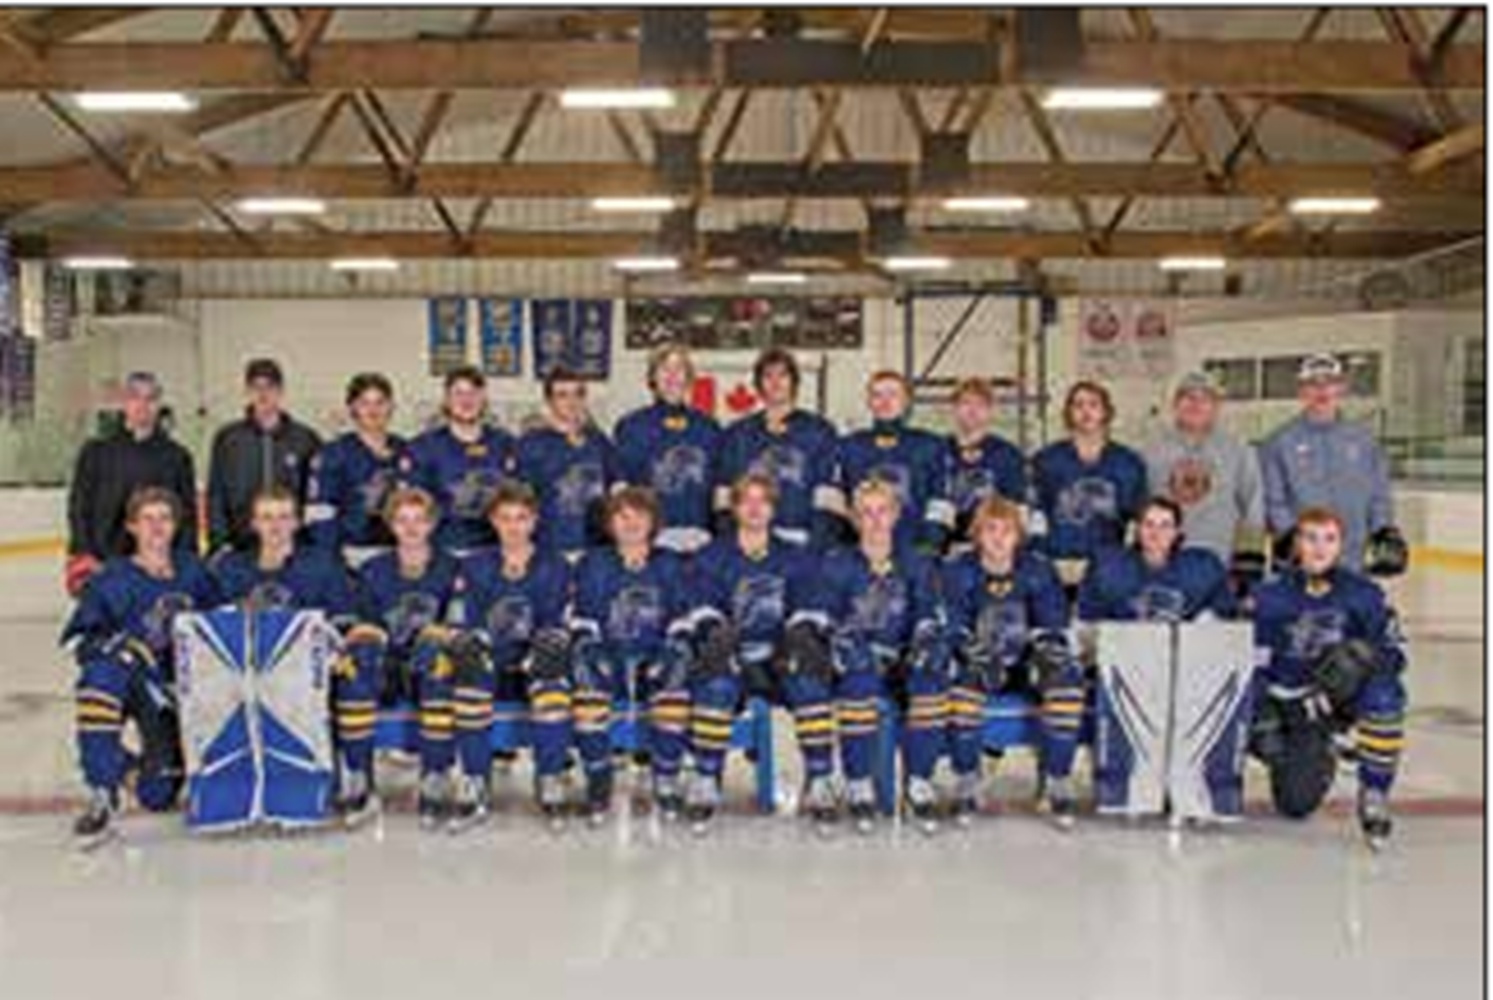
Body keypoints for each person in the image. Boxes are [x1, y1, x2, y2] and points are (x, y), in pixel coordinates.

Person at [788, 478, 949, 834]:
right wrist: (838, 639)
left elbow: (928, 610)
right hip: (855, 657)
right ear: (854, 518)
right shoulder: (836, 563)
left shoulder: (917, 561)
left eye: (882, 511)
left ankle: (919, 782)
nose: (875, 521)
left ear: (895, 514)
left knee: (932, 675)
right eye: (866, 513)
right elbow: (821, 613)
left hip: (901, 657)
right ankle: (858, 783)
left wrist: (926, 639)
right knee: (855, 678)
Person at [64, 487, 219, 847]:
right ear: (132, 526)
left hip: (172, 693)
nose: (157, 527)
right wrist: (123, 649)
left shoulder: (195, 572)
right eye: (147, 519)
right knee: (99, 679)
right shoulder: (111, 578)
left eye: (164, 518)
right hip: (129, 679)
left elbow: (220, 623)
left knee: (157, 794)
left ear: (176, 525)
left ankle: (120, 763)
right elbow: (80, 640)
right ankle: (102, 793)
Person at [1251, 506, 1407, 850]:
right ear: (1297, 544)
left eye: (1329, 539)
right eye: (1311, 538)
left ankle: (1375, 791)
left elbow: (1395, 654)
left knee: (1385, 694)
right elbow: (1252, 662)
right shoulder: (1269, 595)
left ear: (1340, 546)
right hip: (1286, 704)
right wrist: (1261, 710)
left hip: (1331, 705)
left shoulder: (1363, 595)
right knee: (1295, 804)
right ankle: (1313, 749)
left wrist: (1363, 661)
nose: (1320, 548)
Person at [682, 473, 814, 833]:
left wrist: (799, 635)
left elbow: (807, 602)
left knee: (810, 683)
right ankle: (706, 778)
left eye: (763, 501)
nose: (755, 508)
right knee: (716, 685)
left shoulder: (794, 556)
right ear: (735, 507)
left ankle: (819, 778)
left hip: (777, 657)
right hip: (733, 655)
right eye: (747, 501)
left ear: (773, 508)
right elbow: (701, 604)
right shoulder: (712, 555)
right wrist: (715, 632)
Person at [940, 498, 1084, 828]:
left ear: (1018, 535)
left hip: (1026, 660)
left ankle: (1057, 779)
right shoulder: (958, 570)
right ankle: (967, 780)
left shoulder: (1038, 568)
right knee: (962, 691)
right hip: (980, 660)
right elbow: (953, 624)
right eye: (990, 529)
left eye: (1007, 530)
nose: (998, 538)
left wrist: (1044, 651)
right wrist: (976, 653)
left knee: (1066, 685)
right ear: (977, 534)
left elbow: (1053, 623)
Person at [446, 483, 573, 831]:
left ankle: (549, 777)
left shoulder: (555, 564)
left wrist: (543, 650)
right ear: (493, 521)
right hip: (492, 661)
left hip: (535, 660)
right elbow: (464, 620)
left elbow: (557, 620)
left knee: (552, 680)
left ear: (534, 521)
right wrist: (475, 647)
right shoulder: (474, 564)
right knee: (470, 677)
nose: (513, 526)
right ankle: (475, 780)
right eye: (505, 518)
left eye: (521, 518)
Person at [567, 487, 694, 823]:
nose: (631, 523)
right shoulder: (594, 562)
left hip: (655, 655)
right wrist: (589, 646)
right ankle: (598, 779)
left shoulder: (669, 562)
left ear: (653, 521)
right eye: (622, 516)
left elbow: (682, 615)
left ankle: (666, 777)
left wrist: (673, 647)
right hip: (610, 655)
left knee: (676, 678)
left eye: (640, 515)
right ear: (610, 523)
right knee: (587, 681)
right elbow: (583, 616)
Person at [341, 487, 462, 828]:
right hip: (388, 664)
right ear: (391, 524)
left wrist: (441, 634)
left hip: (429, 661)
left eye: (419, 520)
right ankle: (359, 776)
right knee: (354, 673)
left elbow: (458, 622)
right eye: (402, 520)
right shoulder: (372, 570)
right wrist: (367, 639)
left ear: (432, 524)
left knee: (438, 667)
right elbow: (362, 624)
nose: (411, 528)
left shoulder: (452, 567)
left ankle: (435, 776)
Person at [1259, 353, 1405, 576]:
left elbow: (1379, 494)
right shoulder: (1278, 443)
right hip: (1301, 563)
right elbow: (1273, 500)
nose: (1322, 390)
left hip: (1354, 562)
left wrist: (1383, 530)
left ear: (1341, 388)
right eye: (1312, 384)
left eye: (1330, 382)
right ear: (1301, 391)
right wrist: (1290, 536)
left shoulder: (1365, 441)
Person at [66, 372, 199, 596]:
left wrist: (186, 560)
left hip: (159, 565)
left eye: (150, 398)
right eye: (135, 397)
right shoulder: (96, 452)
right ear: (123, 402)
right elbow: (79, 506)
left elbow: (187, 514)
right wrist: (83, 551)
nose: (142, 405)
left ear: (159, 404)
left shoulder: (177, 456)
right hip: (105, 561)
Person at [1144, 370, 1267, 592]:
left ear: (1217, 406)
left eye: (1205, 398)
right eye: (1188, 397)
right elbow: (1141, 512)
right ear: (1175, 404)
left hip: (1219, 566)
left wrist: (1246, 573)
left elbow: (1253, 509)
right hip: (1163, 568)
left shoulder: (1238, 450)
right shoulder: (1151, 451)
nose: (1196, 404)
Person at [715, 348, 844, 549]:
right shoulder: (737, 433)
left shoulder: (820, 430)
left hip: (800, 540)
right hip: (750, 541)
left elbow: (828, 497)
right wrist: (733, 542)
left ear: (794, 381)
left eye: (783, 375)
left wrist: (817, 546)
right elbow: (724, 496)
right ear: (758, 384)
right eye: (768, 376)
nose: (776, 382)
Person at [1031, 381, 1148, 591]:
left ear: (1106, 412)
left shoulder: (1128, 463)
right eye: (1078, 405)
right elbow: (1035, 515)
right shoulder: (1046, 460)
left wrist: (1129, 563)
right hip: (1057, 564)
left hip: (1108, 568)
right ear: (1068, 413)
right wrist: (1038, 560)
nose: (1086, 411)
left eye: (1094, 404)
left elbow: (1138, 521)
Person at [205, 359, 322, 554]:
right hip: (241, 544)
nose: (263, 394)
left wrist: (314, 542)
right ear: (247, 392)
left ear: (281, 391)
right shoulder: (228, 439)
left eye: (270, 387)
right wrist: (219, 541)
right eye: (256, 387)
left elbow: (315, 497)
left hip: (292, 544)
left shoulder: (306, 439)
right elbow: (216, 494)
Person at [613, 344, 722, 555]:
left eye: (679, 368)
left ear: (689, 377)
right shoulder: (631, 426)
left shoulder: (709, 427)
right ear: (652, 377)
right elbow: (623, 489)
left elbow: (719, 491)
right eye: (664, 368)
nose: (672, 375)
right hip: (651, 537)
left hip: (700, 537)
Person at [837, 370, 954, 553]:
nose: (885, 401)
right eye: (877, 395)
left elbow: (941, 501)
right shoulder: (849, 446)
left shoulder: (931, 445)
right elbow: (839, 503)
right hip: (864, 550)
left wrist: (929, 545)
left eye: (893, 394)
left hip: (915, 549)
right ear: (869, 401)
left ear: (906, 400)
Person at [402, 366, 515, 553]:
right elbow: (415, 508)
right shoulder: (422, 447)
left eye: (473, 393)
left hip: (494, 550)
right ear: (446, 400)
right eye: (458, 393)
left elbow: (517, 501)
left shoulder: (505, 444)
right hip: (443, 549)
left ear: (484, 399)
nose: (466, 400)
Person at [1076, 497, 1236, 624]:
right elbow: (1089, 619)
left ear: (1177, 532)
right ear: (1137, 530)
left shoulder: (1203, 567)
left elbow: (1225, 613)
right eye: (1149, 524)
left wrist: (1206, 621)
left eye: (1165, 526)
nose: (1156, 533)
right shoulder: (1108, 568)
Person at [514, 368, 617, 560]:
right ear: (549, 401)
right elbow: (521, 500)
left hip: (596, 547)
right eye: (562, 395)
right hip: (550, 547)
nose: (571, 402)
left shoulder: (599, 441)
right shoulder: (530, 443)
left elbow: (618, 486)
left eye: (578, 394)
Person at [304, 373, 407, 564]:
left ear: (391, 406)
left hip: (400, 553)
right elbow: (319, 516)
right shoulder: (333, 454)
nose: (373, 410)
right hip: (351, 554)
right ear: (352, 407)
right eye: (364, 403)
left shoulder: (406, 450)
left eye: (380, 402)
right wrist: (333, 560)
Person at [210, 487, 355, 620]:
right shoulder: (231, 569)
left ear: (296, 522)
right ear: (254, 524)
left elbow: (343, 620)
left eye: (284, 517)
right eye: (266, 518)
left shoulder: (324, 567)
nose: (275, 526)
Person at [943, 376, 1028, 547]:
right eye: (966, 403)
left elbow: (1017, 508)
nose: (972, 410)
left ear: (990, 410)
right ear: (954, 408)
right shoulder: (936, 450)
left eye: (980, 404)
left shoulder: (1008, 454)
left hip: (991, 543)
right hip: (945, 542)